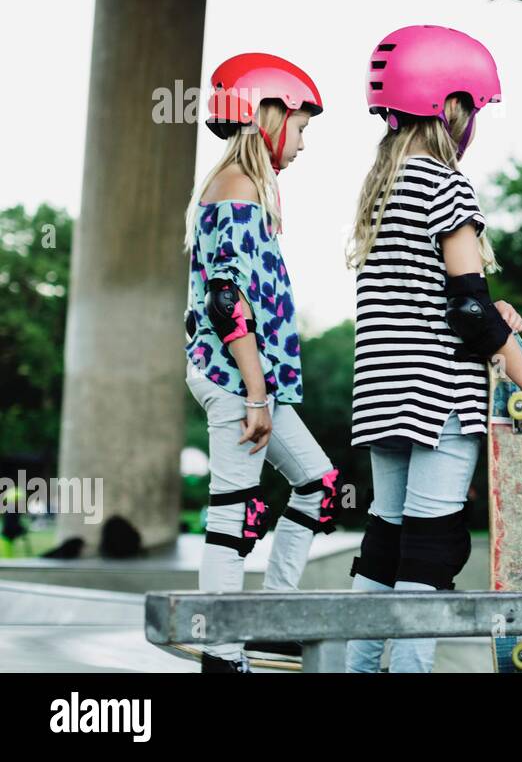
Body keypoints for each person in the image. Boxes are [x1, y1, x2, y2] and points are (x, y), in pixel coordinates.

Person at [344, 25, 522, 673]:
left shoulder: (381, 192)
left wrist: (490, 311)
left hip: (383, 394)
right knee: (433, 549)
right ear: (451, 108)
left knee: (386, 540)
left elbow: (430, 300)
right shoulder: (446, 184)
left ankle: (356, 668)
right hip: (440, 398)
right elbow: (465, 306)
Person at [183, 53, 340, 673]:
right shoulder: (238, 192)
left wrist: (262, 390)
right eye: (300, 127)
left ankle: (273, 619)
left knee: (318, 484)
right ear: (267, 115)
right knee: (232, 513)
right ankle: (221, 654)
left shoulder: (248, 191)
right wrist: (253, 392)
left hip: (256, 384)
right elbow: (228, 301)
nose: (302, 144)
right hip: (235, 381)